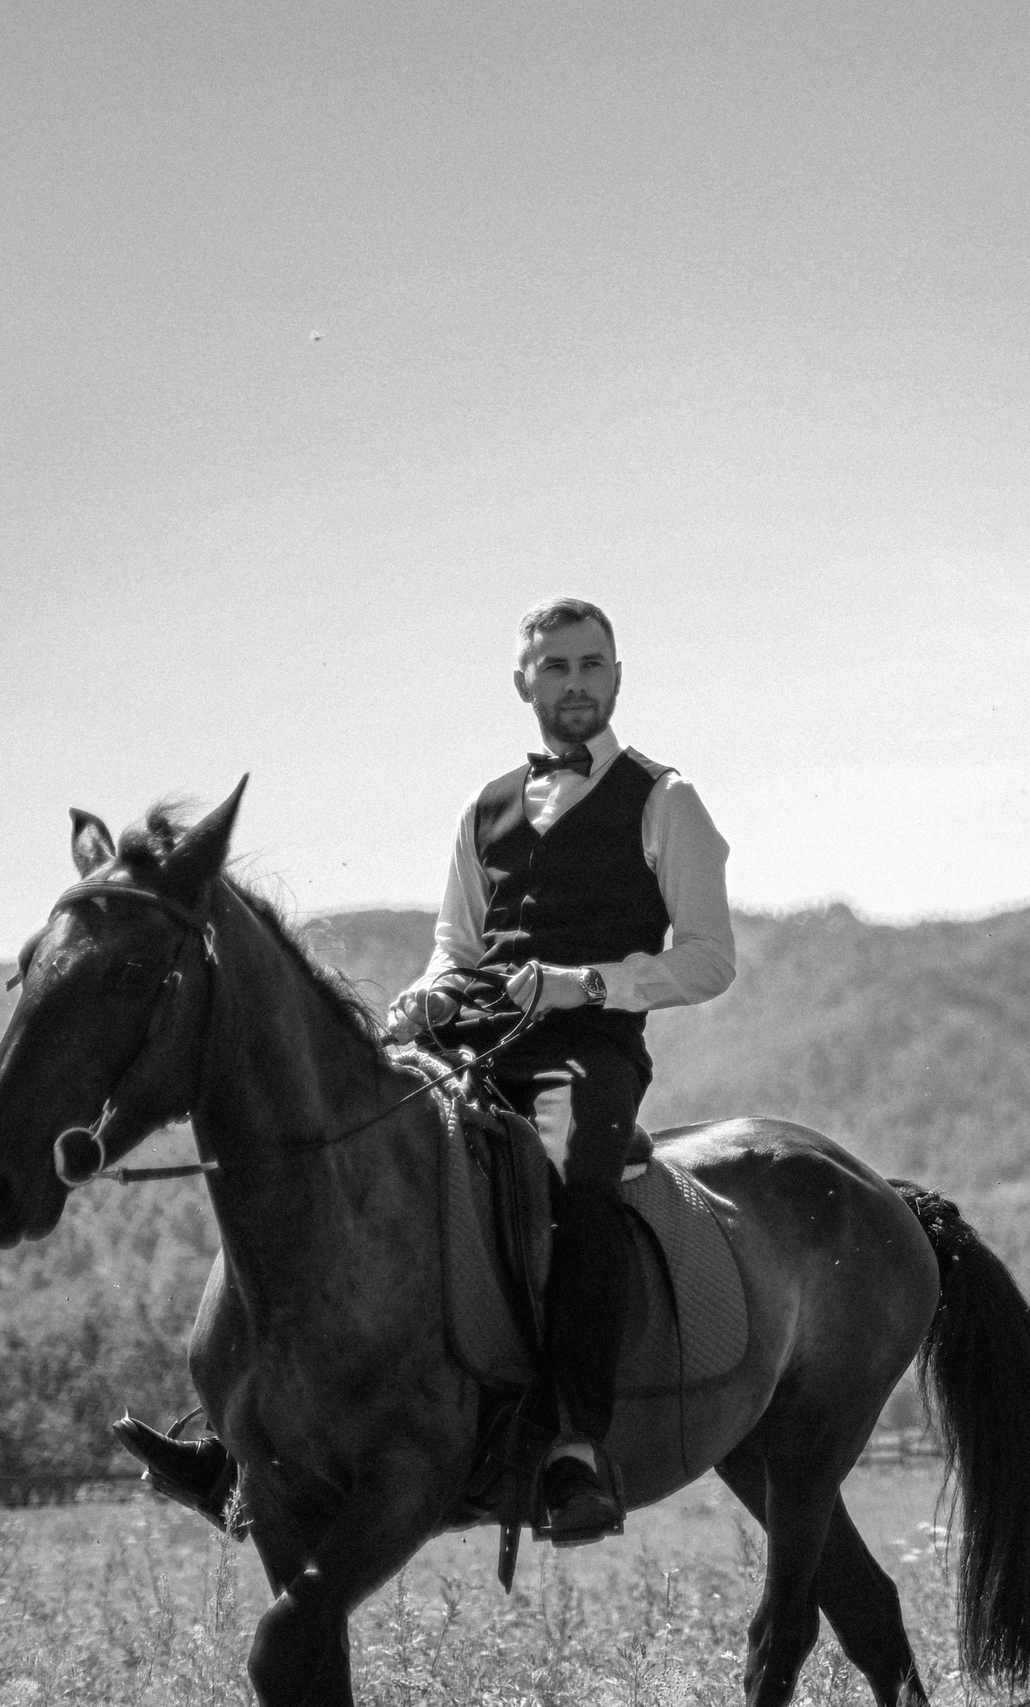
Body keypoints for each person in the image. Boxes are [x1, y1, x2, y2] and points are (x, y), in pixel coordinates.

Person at [387, 595, 736, 1544]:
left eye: (592, 665)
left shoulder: (669, 798)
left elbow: (710, 958)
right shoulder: (479, 807)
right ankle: (257, 1427)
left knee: (574, 1180)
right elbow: (453, 947)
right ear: (523, 683)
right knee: (353, 1147)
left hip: (589, 1048)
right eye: (556, 667)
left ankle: (574, 1444)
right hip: (469, 1038)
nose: (574, 683)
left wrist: (587, 985)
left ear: (617, 677)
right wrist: (424, 997)